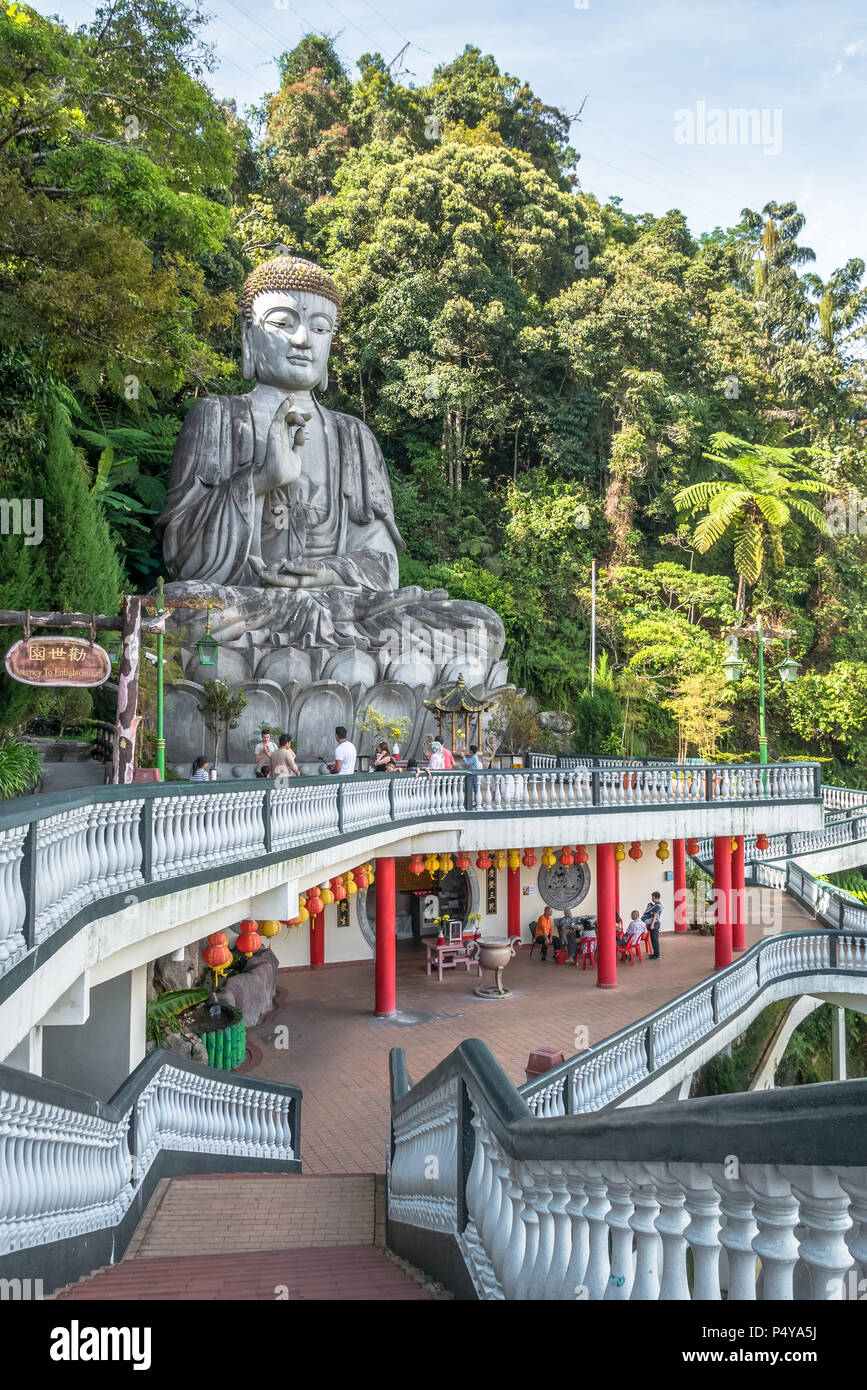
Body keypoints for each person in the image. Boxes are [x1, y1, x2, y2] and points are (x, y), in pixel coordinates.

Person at [642, 891, 663, 959]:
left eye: (653, 897)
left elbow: (655, 915)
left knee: (655, 940)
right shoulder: (655, 905)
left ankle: (657, 955)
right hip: (653, 924)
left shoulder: (658, 905)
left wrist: (652, 924)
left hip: (655, 925)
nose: (652, 898)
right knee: (653, 940)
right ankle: (655, 954)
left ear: (657, 898)